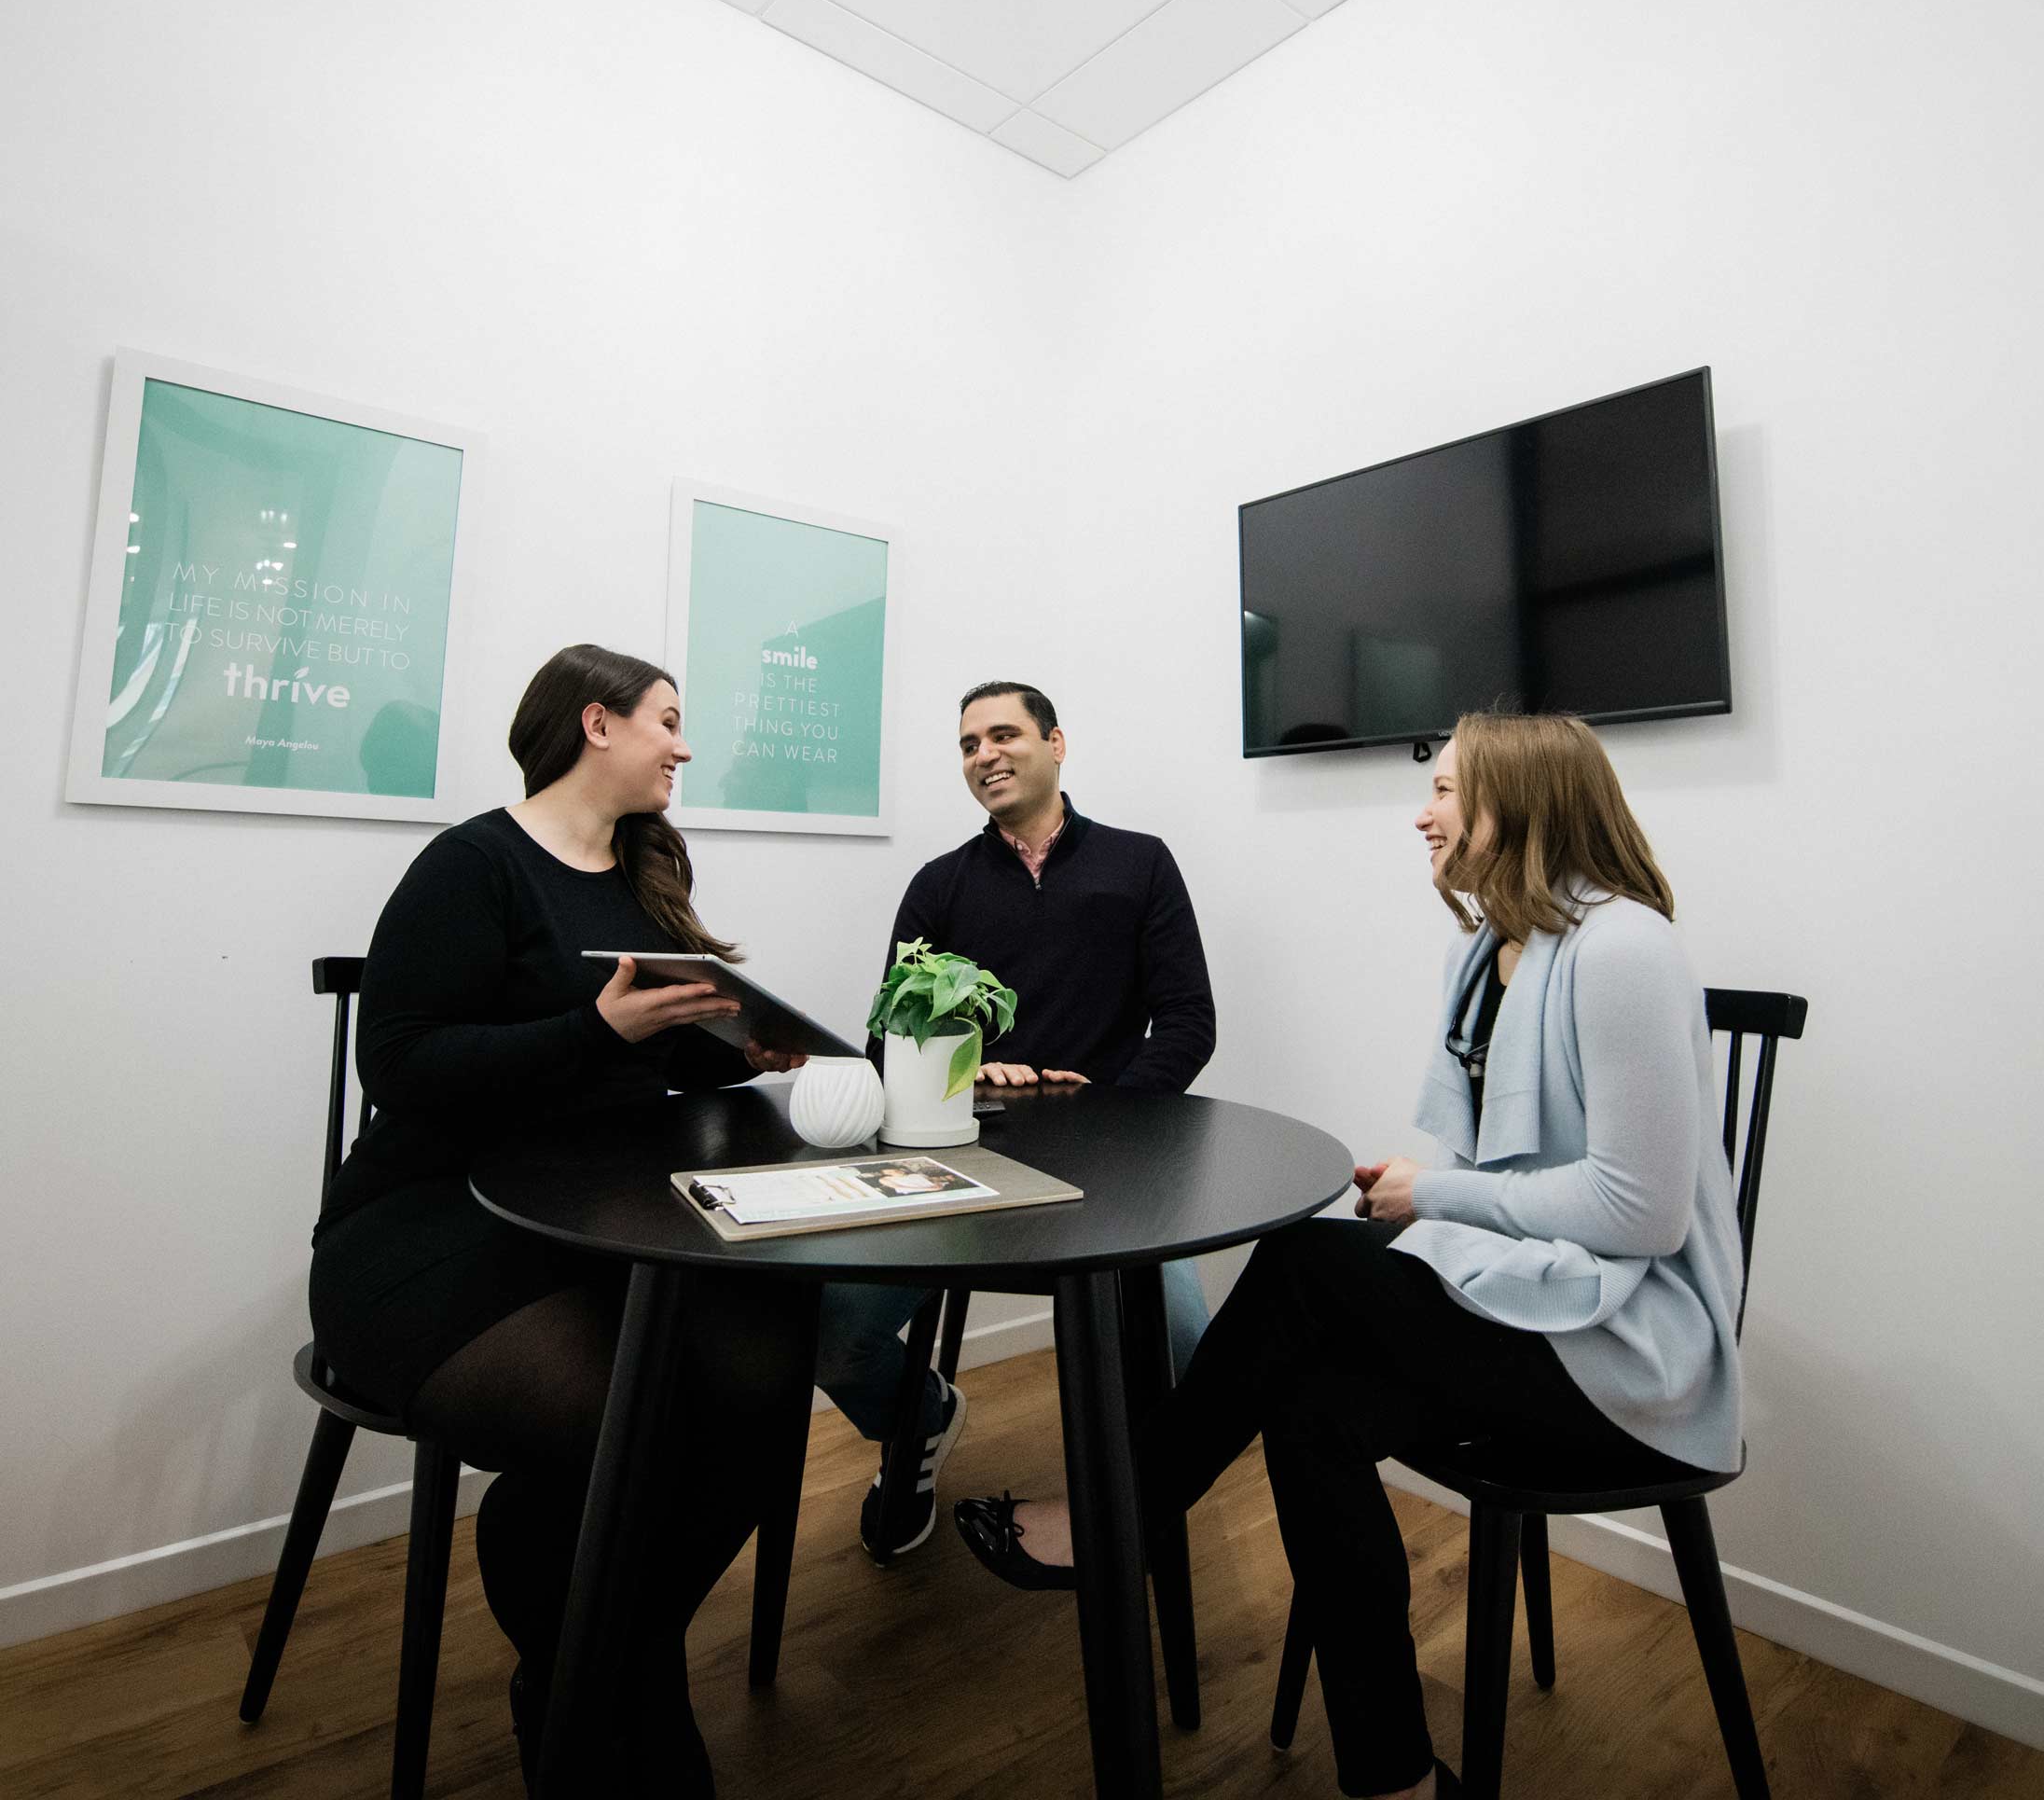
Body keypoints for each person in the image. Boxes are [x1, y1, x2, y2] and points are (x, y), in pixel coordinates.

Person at [954, 713, 1746, 1800]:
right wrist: (1436, 1208)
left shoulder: (1623, 947)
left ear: (1523, 799)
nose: (1420, 811)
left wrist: (1433, 1195)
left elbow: (1640, 1214)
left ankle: (1117, 1518)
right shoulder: (1489, 951)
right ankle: (1394, 1775)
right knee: (1311, 1401)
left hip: (1625, 1352)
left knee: (1298, 1263)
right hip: (1533, 1303)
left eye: (1449, 790)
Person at [308, 644, 812, 1795]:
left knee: (764, 1382)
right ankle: (613, 1695)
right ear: (596, 722)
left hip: (591, 1225)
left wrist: (738, 1048)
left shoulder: (643, 873)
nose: (684, 745)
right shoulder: (470, 864)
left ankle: (580, 1657)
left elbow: (647, 1069)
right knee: (625, 1422)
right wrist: (599, 1032)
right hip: (425, 1230)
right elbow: (401, 1063)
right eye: (668, 720)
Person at [815, 679, 1218, 1559]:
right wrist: (962, 1072)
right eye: (967, 744)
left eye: (1004, 735)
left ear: (1057, 743)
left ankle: (1115, 1512)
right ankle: (920, 1424)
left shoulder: (1139, 862)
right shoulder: (939, 885)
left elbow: (1189, 1021)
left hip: (1110, 1172)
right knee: (831, 1330)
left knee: (1185, 1350)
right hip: (963, 1170)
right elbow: (887, 1041)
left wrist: (1111, 1104)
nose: (985, 755)